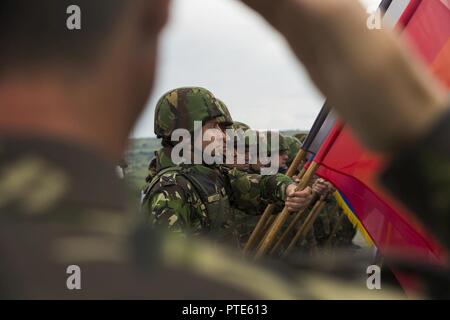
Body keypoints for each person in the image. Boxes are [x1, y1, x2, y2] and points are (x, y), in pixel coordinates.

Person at [142, 87, 314, 245]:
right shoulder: (171, 189)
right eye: (214, 127)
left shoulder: (209, 173)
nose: (224, 137)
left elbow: (257, 187)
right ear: (186, 132)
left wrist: (288, 188)